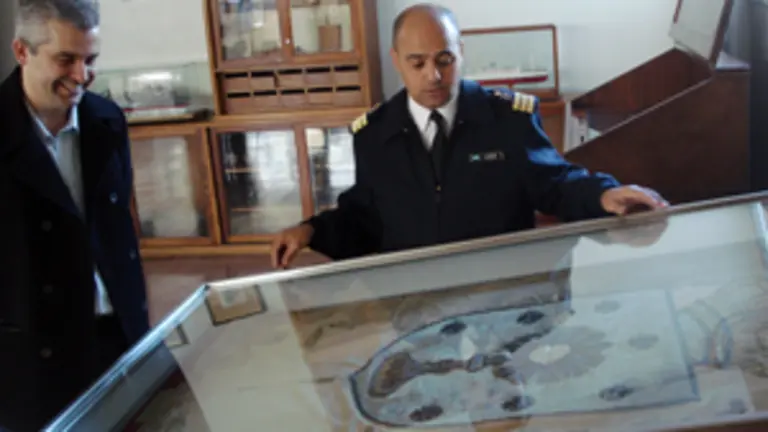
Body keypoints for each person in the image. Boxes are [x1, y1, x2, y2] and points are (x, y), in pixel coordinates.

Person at [270, 3, 668, 268]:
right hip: (417, 306)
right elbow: (364, 218)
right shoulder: (375, 134)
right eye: (418, 63)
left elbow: (555, 184)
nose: (434, 75)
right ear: (396, 63)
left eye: (445, 59)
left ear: (461, 53)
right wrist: (311, 231)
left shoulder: (506, 119)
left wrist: (603, 194)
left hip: (504, 296)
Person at [0, 1, 150, 430]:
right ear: (22, 51)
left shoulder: (107, 120)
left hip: (116, 336)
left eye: (91, 60)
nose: (82, 76)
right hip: (36, 354)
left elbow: (120, 236)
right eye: (66, 59)